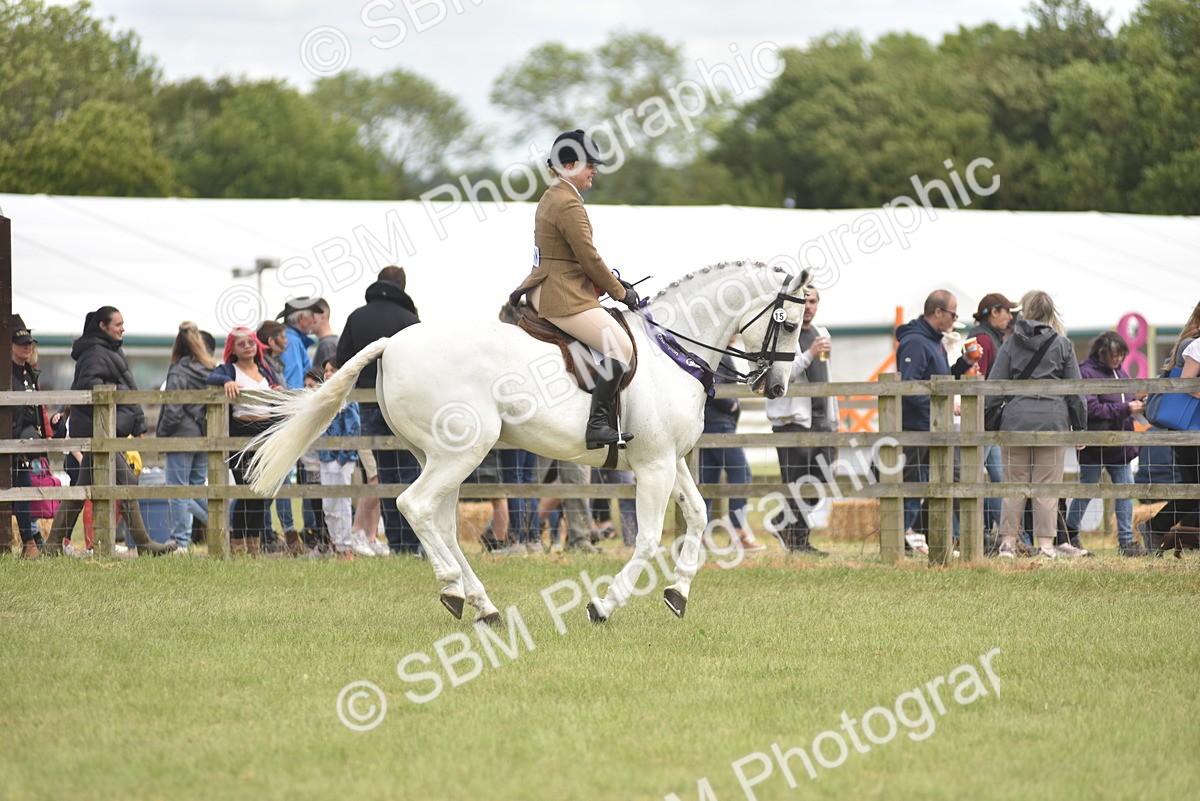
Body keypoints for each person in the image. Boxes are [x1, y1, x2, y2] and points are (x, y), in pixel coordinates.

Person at [508, 128, 640, 449]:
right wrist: (621, 293)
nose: (594, 170)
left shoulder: (551, 196)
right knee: (620, 347)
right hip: (562, 296)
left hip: (546, 286)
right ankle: (597, 426)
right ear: (568, 166)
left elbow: (573, 258)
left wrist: (613, 281)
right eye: (588, 164)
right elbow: (590, 258)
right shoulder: (568, 204)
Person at [44, 307, 176, 556]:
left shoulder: (106, 350)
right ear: (102, 326)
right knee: (125, 480)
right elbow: (90, 386)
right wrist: (118, 400)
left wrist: (134, 421)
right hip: (99, 432)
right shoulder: (96, 352)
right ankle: (145, 544)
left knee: (82, 487)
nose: (122, 328)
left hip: (104, 431)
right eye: (118, 324)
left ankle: (53, 544)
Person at [986, 291, 1087, 560]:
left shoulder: (1010, 343)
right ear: (1051, 312)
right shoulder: (1063, 344)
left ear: (1025, 311)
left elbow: (995, 385)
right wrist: (1080, 426)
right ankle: (1044, 545)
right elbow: (1075, 390)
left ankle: (1008, 542)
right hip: (1052, 421)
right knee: (1047, 486)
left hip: (1016, 420)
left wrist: (991, 419)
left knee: (1014, 485)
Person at [337, 265, 423, 553]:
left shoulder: (356, 317)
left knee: (385, 473)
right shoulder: (410, 319)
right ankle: (411, 543)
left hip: (369, 402)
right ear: (404, 285)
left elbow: (343, 359)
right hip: (404, 403)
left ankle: (396, 542)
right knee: (409, 471)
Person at [895, 290, 978, 555]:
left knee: (947, 482)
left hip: (935, 427)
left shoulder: (935, 342)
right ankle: (902, 541)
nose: (956, 319)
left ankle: (916, 534)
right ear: (938, 312)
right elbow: (910, 386)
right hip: (916, 429)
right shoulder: (916, 343)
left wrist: (963, 364)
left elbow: (939, 380)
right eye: (953, 314)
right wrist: (940, 406)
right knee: (913, 488)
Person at [766, 288, 837, 555]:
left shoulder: (822, 333)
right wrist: (809, 353)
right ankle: (799, 542)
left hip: (821, 419)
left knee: (823, 479)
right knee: (796, 482)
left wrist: (835, 417)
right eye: (804, 301)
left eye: (813, 301)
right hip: (791, 421)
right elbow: (783, 375)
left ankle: (781, 523)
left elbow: (826, 375)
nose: (808, 306)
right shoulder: (783, 335)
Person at [1065, 332, 1144, 557]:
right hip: (1095, 444)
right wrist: (1126, 409)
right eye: (1115, 354)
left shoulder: (1120, 373)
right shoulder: (1087, 373)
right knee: (1088, 489)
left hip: (1120, 445)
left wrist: (1136, 405)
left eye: (1121, 355)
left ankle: (1127, 541)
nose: (1119, 358)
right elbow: (1091, 409)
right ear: (1102, 352)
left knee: (1125, 490)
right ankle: (1070, 531)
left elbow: (1122, 402)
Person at [207, 327, 282, 555]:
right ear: (233, 349)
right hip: (241, 433)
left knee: (262, 492)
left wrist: (278, 392)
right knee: (246, 490)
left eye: (250, 342)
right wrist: (225, 383)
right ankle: (238, 543)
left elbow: (277, 390)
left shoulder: (266, 370)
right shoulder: (230, 370)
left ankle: (254, 545)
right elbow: (211, 376)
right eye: (241, 344)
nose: (247, 346)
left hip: (267, 433)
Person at [1145, 300, 1200, 553]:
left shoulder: (1189, 342)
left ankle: (1177, 537)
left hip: (1188, 429)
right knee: (1193, 489)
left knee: (1193, 488)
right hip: (1188, 429)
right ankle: (1158, 529)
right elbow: (1186, 383)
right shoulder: (1194, 345)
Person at [156, 322, 216, 553]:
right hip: (203, 434)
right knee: (196, 489)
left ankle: (180, 542)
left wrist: (163, 433)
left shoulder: (178, 371)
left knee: (178, 491)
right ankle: (222, 522)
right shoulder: (210, 369)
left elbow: (173, 408)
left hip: (180, 434)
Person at [968, 293, 1020, 542]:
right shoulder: (984, 340)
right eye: (1006, 311)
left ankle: (1007, 534)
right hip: (983, 420)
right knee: (979, 474)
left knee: (998, 477)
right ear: (994, 312)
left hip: (986, 419)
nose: (1010, 317)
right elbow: (979, 379)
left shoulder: (989, 338)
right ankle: (990, 533)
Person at [701, 353, 765, 553]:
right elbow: (714, 385)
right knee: (741, 473)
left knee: (707, 481)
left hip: (710, 424)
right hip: (720, 424)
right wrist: (732, 404)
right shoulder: (718, 353)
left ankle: (699, 536)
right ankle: (738, 533)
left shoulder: (718, 351)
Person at [315, 360, 372, 558]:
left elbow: (353, 430)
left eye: (333, 370)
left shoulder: (348, 398)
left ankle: (346, 547)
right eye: (326, 371)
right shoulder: (324, 399)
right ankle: (337, 545)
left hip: (341, 460)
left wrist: (340, 459)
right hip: (324, 457)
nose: (328, 374)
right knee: (328, 505)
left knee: (342, 503)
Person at [10, 316, 49, 557]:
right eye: (21, 342)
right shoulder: (8, 372)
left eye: (29, 343)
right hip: (12, 439)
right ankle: (31, 540)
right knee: (20, 489)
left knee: (24, 488)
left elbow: (34, 410)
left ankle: (31, 540)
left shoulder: (29, 373)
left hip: (26, 440)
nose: (27, 347)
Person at [277, 298, 322, 390]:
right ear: (301, 318)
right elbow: (293, 384)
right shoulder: (292, 341)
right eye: (312, 316)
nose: (315, 321)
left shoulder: (289, 338)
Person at [310, 299, 338, 370]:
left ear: (322, 317)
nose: (308, 320)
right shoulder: (332, 342)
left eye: (311, 316)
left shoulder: (327, 345)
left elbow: (330, 378)